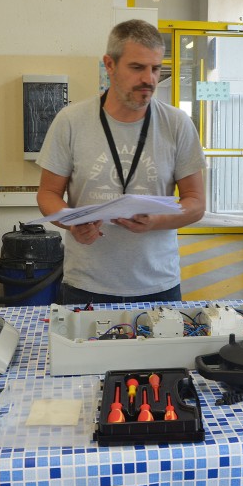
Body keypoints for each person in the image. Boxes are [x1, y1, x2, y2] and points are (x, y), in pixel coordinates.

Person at [36, 19, 206, 305]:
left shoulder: (177, 124)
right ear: (110, 65)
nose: (149, 79)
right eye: (137, 67)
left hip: (159, 286)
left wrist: (157, 221)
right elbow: (48, 193)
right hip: (86, 284)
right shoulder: (71, 121)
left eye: (155, 68)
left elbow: (196, 202)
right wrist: (71, 222)